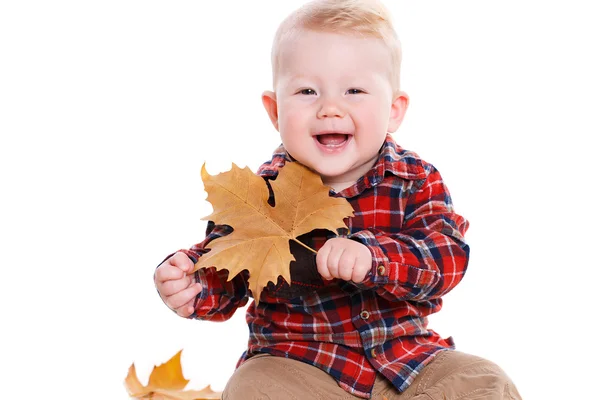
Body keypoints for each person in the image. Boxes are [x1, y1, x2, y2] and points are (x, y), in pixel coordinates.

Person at [154, 0, 522, 398]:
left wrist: (374, 258)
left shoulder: (415, 179)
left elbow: (447, 257)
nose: (330, 108)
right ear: (275, 111)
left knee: (486, 382)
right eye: (307, 91)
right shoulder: (262, 194)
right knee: (253, 388)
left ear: (394, 110)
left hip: (406, 360)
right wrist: (191, 281)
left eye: (354, 90)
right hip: (296, 364)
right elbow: (228, 267)